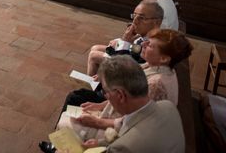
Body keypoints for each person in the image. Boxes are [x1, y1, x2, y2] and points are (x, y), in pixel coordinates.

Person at [57, 30, 192, 143]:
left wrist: (97, 121)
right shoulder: (158, 67)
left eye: (150, 45)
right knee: (73, 109)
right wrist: (101, 105)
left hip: (123, 132)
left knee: (67, 120)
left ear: (164, 58)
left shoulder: (156, 85)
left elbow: (133, 121)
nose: (143, 44)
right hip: (117, 114)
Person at [55, 55, 186, 153]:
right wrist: (99, 143)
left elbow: (129, 140)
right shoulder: (167, 106)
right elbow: (127, 123)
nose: (105, 97)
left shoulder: (124, 148)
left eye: (106, 92)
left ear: (121, 95)